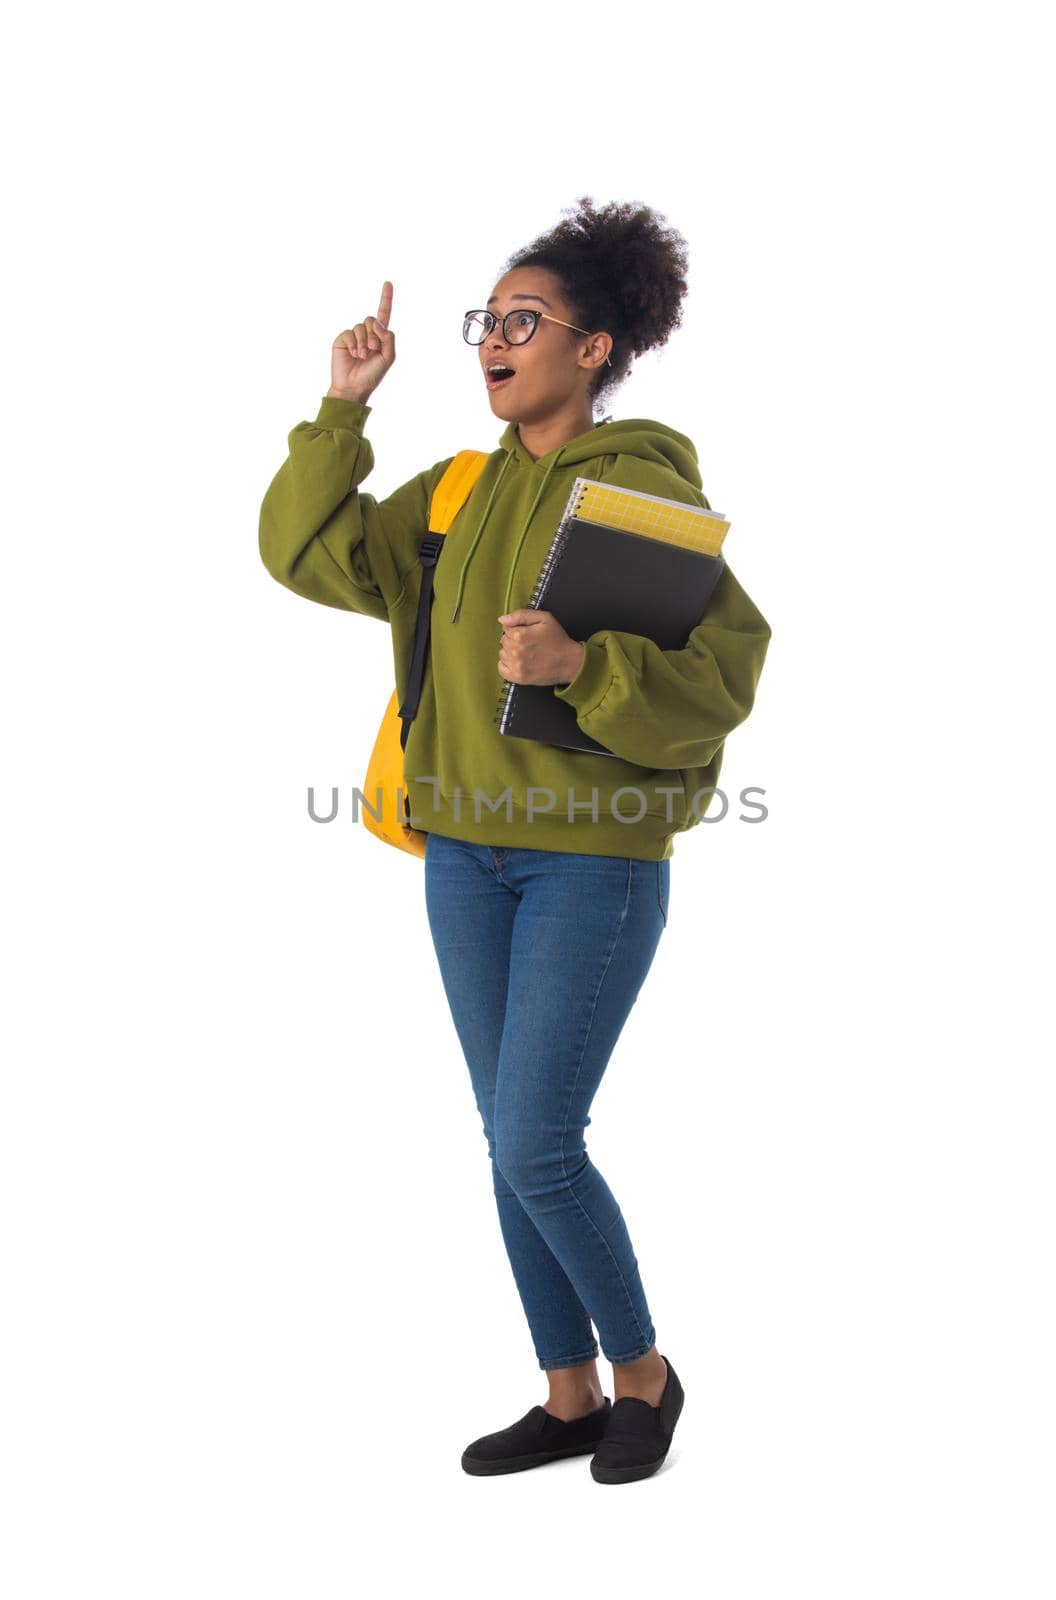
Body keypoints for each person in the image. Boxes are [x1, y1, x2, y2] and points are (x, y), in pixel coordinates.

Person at [259, 196, 772, 1484]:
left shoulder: (643, 485)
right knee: (507, 1134)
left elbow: (724, 675)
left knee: (538, 1137)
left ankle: (646, 1376)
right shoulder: (457, 491)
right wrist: (343, 410)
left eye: (524, 320)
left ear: (593, 348)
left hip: (590, 860)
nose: (495, 338)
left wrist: (585, 662)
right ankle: (566, 1394)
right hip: (460, 856)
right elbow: (304, 552)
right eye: (487, 319)